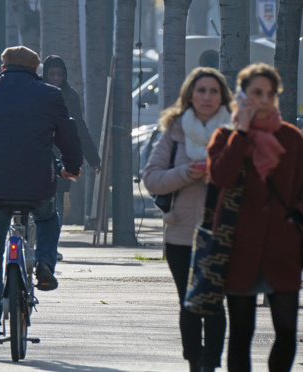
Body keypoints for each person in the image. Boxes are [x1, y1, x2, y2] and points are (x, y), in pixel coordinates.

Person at [0, 46, 83, 339]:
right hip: (38, 185)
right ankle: (44, 263)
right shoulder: (50, 95)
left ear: (3, 68)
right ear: (35, 70)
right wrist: (71, 167)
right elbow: (68, 134)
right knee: (48, 219)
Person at [207, 63, 302, 372]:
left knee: (287, 331)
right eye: (256, 92)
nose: (263, 99)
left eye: (269, 94)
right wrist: (243, 133)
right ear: (242, 95)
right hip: (239, 249)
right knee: (241, 335)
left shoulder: (292, 139)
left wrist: (295, 220)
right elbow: (222, 177)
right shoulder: (226, 137)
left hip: (283, 248)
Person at [142, 67, 234, 372]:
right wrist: (186, 173)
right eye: (201, 90)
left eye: (213, 91)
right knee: (189, 302)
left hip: (223, 232)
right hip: (182, 234)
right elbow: (152, 179)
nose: (207, 97)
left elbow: (251, 180)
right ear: (190, 96)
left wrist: (217, 173)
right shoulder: (175, 131)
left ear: (222, 96)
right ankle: (195, 361)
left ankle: (211, 364)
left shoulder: (236, 131)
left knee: (214, 302)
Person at [41, 55, 101, 261]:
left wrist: (93, 159)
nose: (56, 78)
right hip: (39, 153)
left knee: (57, 202)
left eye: (60, 74)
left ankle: (51, 246)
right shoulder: (37, 91)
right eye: (52, 74)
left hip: (63, 155)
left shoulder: (71, 95)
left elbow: (80, 129)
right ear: (45, 75)